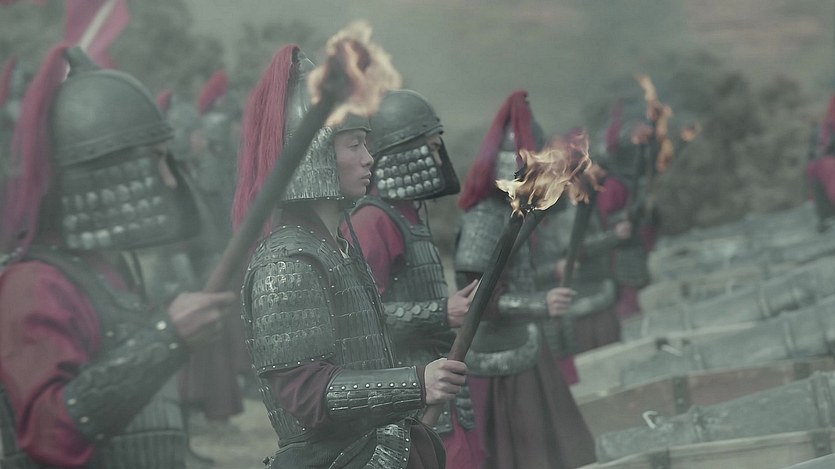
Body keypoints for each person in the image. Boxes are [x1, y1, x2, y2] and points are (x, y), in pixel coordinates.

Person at [0, 44, 235, 468]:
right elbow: (51, 433)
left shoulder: (109, 271)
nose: (169, 180)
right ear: (102, 173)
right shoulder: (33, 284)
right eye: (155, 161)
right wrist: (167, 337)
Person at [233, 44, 466, 469]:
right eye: (354, 145)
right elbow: (307, 393)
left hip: (372, 448)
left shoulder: (335, 245)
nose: (368, 159)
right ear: (316, 155)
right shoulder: (288, 262)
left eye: (366, 144)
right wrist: (416, 383)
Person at [342, 89, 484, 468]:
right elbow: (364, 320)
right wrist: (441, 312)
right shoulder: (372, 221)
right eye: (430, 147)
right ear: (404, 152)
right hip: (412, 391)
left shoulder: (409, 213)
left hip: (441, 383)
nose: (438, 158)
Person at [454, 90, 596, 469]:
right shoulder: (484, 218)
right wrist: (540, 303)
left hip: (525, 344)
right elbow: (477, 298)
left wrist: (550, 276)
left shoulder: (515, 214)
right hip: (499, 358)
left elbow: (515, 274)